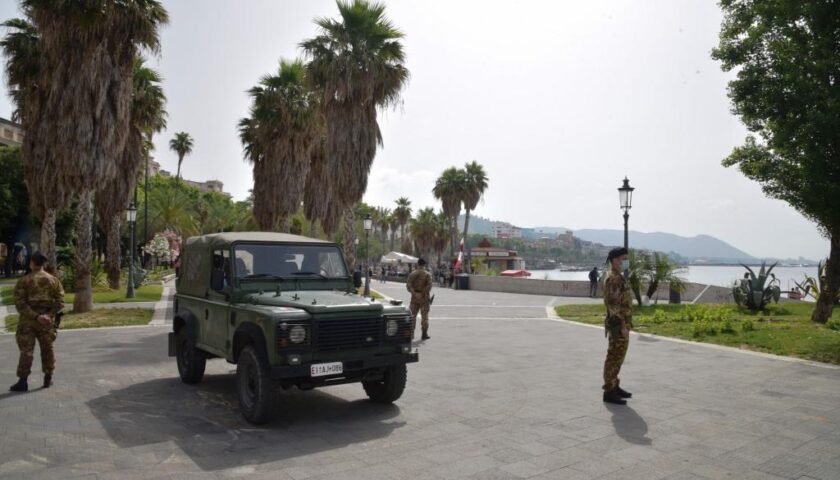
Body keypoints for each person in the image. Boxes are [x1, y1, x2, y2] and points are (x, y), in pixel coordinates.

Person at [9, 252, 64, 392]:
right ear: (43, 263)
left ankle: (23, 382)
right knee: (47, 348)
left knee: (26, 351)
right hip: (47, 321)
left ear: (32, 263)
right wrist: (48, 316)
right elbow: (60, 302)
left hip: (28, 321)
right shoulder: (53, 280)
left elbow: (20, 304)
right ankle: (48, 378)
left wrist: (35, 316)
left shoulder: (24, 281)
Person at [602, 247, 633, 405]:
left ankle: (614, 386)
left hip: (621, 325)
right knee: (614, 357)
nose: (626, 262)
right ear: (615, 260)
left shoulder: (618, 276)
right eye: (623, 259)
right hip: (617, 325)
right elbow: (614, 306)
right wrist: (622, 326)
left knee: (618, 357)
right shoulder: (614, 279)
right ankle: (609, 391)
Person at [406, 257, 433, 340]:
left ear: (418, 264)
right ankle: (424, 334)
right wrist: (422, 293)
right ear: (424, 264)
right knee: (424, 317)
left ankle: (411, 335)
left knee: (412, 316)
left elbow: (408, 285)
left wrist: (415, 293)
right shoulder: (427, 274)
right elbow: (429, 286)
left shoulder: (412, 274)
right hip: (424, 299)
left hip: (414, 299)